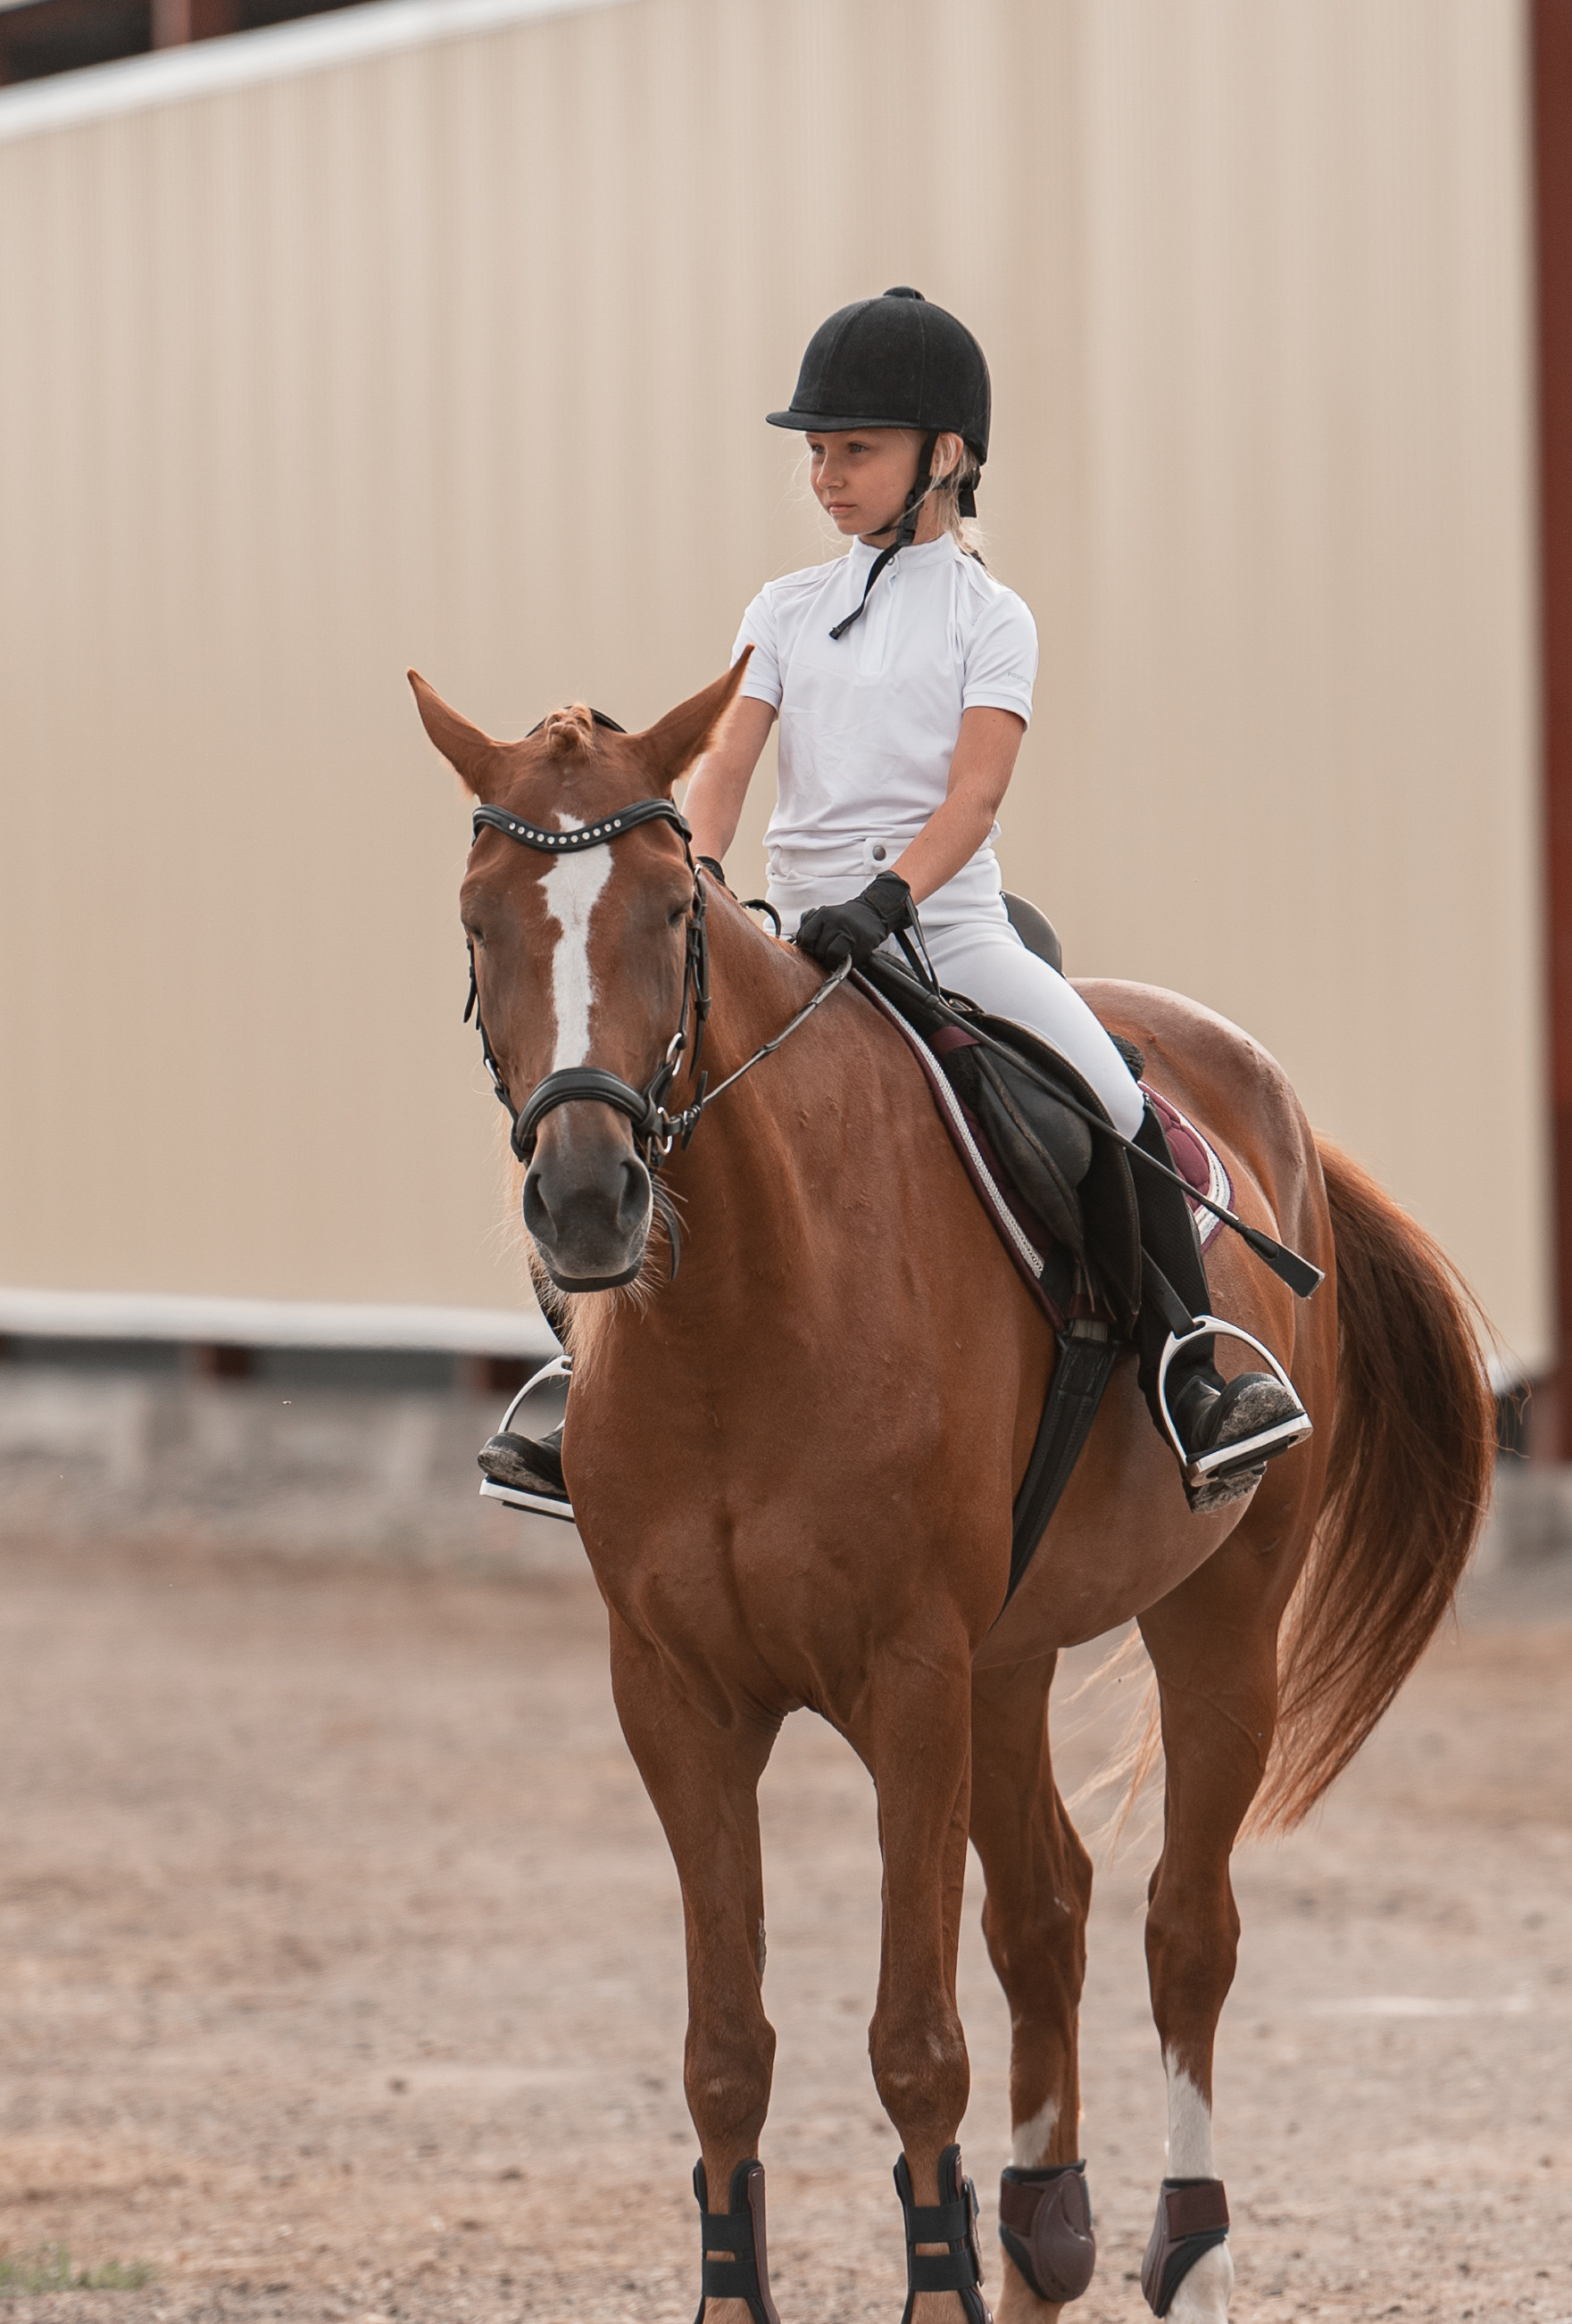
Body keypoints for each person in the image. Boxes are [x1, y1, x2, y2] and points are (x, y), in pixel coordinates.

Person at [480, 286, 1308, 1515]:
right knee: (612, 1086)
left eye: (853, 449)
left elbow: (972, 798)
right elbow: (720, 772)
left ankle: (1192, 1363)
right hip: (792, 938)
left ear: (946, 456)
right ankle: (575, 1371)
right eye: (816, 452)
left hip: (946, 931)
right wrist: (699, 883)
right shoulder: (782, 610)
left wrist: (884, 901)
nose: (825, 475)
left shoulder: (992, 618)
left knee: (1108, 1102)